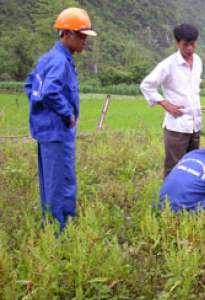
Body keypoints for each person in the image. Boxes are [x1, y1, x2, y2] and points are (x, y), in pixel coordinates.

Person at [24, 8, 97, 233]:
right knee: (61, 184)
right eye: (81, 35)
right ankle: (60, 235)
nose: (85, 41)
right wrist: (67, 115)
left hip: (47, 130)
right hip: (57, 132)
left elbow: (30, 85)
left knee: (51, 184)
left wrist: (41, 114)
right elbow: (49, 92)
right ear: (67, 34)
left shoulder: (48, 57)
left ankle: (52, 228)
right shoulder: (60, 62)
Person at [140, 24, 203, 179]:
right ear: (177, 43)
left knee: (192, 166)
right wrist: (164, 103)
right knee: (174, 167)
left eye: (193, 44)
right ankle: (170, 201)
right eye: (185, 45)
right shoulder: (168, 64)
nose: (190, 48)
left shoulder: (198, 61)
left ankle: (188, 200)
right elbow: (146, 85)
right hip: (177, 126)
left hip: (195, 125)